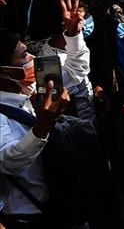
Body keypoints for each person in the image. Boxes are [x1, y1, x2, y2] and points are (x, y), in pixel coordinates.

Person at [0, 29, 70, 227]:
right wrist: (41, 128)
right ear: (4, 71)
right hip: (25, 215)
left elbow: (74, 73)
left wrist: (73, 35)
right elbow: (8, 161)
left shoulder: (32, 93)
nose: (32, 59)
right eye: (24, 56)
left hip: (55, 204)